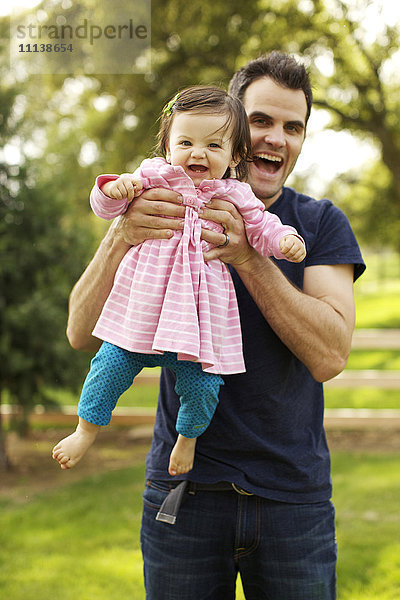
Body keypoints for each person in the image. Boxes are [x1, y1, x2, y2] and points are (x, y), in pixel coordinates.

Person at [61, 51, 365, 599]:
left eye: (293, 126)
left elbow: (329, 356)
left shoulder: (319, 223)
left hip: (291, 501)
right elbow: (81, 333)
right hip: (183, 495)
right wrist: (121, 234)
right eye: (261, 120)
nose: (275, 138)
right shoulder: (158, 204)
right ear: (232, 127)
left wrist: (250, 257)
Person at [52, 85, 306, 478]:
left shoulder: (236, 194)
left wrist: (284, 240)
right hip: (140, 317)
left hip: (193, 329)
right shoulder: (154, 176)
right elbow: (109, 207)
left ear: (235, 155)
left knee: (204, 388)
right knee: (108, 367)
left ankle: (187, 438)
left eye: (213, 145)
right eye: (185, 142)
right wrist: (112, 189)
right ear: (167, 147)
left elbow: (262, 227)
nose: (197, 153)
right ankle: (86, 430)